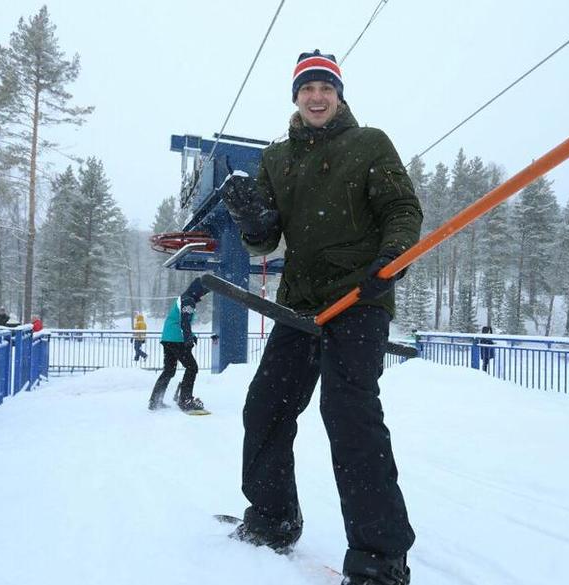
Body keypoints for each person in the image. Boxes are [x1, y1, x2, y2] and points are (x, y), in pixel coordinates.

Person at [220, 49, 422, 585]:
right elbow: (264, 241)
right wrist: (250, 217)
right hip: (300, 302)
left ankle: (381, 560)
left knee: (348, 412)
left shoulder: (369, 143)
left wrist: (388, 261)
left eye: (325, 88)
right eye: (307, 88)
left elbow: (403, 209)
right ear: (296, 96)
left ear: (339, 94)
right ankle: (272, 518)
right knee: (265, 406)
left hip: (359, 298)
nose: (316, 96)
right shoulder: (277, 158)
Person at [148, 280, 208, 412]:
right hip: (176, 339)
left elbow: (180, 319)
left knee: (169, 370)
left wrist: (191, 335)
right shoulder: (189, 301)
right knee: (192, 367)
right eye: (203, 293)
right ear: (197, 290)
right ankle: (185, 400)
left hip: (168, 337)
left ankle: (155, 401)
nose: (202, 296)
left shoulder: (183, 298)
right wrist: (188, 339)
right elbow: (185, 321)